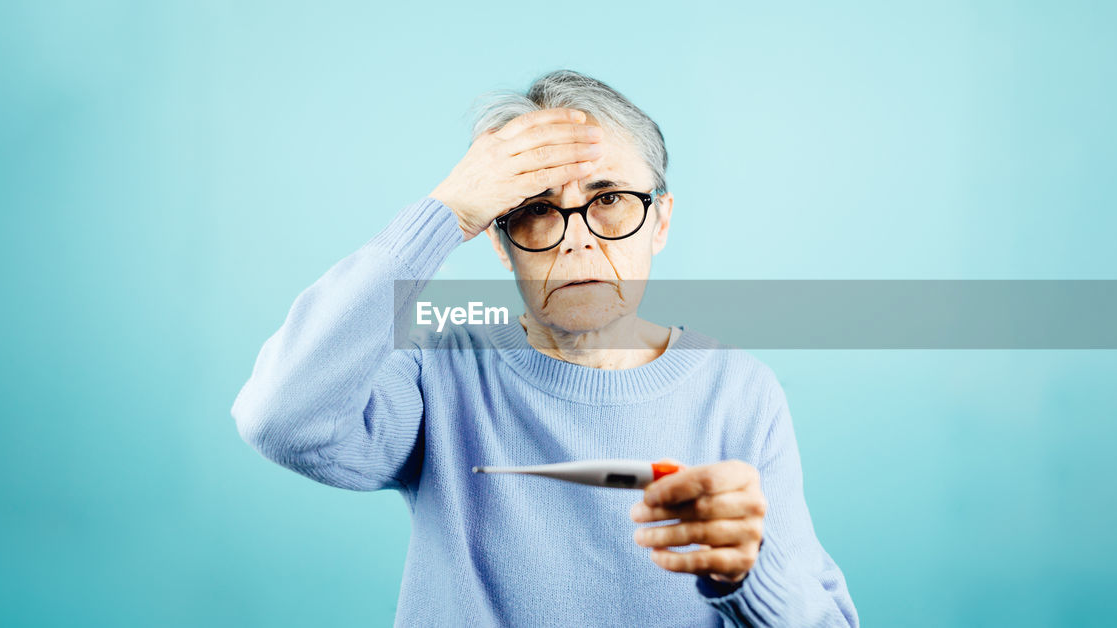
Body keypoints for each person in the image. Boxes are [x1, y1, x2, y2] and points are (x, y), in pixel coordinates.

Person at [231, 69, 858, 627]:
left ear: (661, 221)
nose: (576, 242)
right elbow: (281, 417)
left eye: (609, 200)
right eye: (536, 210)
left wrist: (747, 578)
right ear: (500, 242)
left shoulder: (737, 390)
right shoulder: (438, 371)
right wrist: (442, 214)